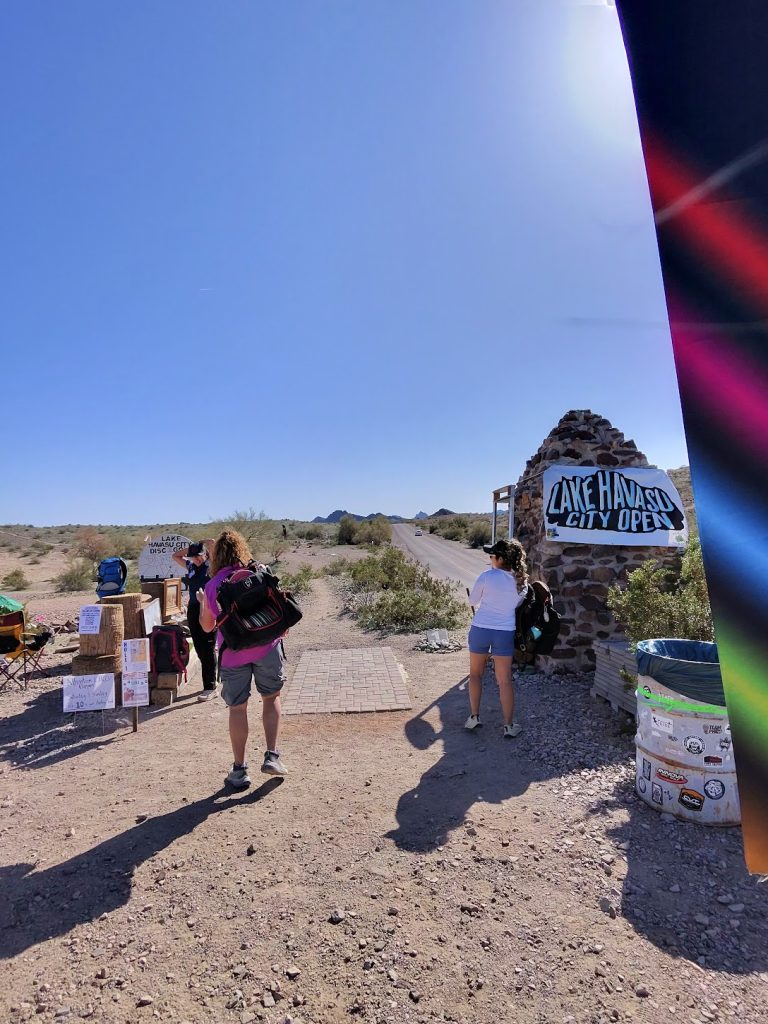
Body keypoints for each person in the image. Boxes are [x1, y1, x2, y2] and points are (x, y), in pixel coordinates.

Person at [198, 530, 288, 788]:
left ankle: (239, 770)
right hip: (267, 647)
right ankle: (272, 756)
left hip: (233, 653)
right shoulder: (258, 573)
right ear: (242, 550)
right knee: (271, 698)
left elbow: (206, 627)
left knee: (238, 708)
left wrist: (204, 602)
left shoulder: (214, 585)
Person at [465, 538, 529, 739]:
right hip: (504, 632)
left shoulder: (486, 576)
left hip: (480, 628)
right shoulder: (522, 584)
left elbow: (472, 600)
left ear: (500, 559)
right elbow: (515, 605)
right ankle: (508, 726)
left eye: (492, 555)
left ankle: (474, 717)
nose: (491, 558)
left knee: (475, 675)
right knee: (504, 681)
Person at [172, 540, 217, 701]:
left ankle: (210, 687)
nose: (196, 559)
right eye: (193, 557)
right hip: (193, 608)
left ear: (204, 554)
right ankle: (213, 681)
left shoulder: (211, 565)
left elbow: (212, 544)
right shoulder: (190, 567)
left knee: (208, 645)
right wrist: (191, 549)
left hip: (208, 608)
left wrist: (203, 544)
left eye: (198, 556)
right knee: (199, 647)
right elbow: (175, 556)